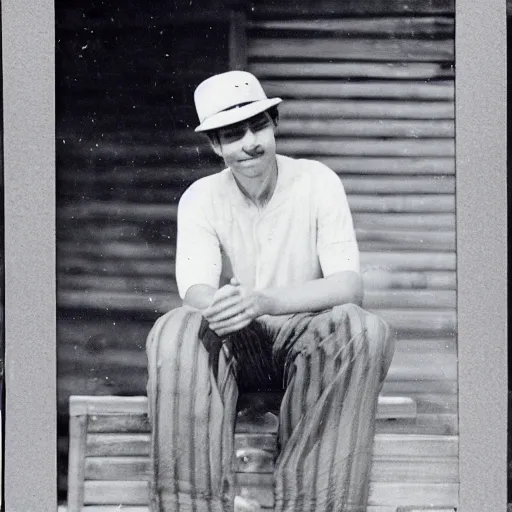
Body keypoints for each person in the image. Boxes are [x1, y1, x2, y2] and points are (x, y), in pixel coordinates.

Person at [146, 70, 395, 512]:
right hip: (237, 342)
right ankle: (191, 505)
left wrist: (265, 300)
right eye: (232, 135)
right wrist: (227, 305)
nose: (250, 143)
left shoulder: (318, 181)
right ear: (215, 146)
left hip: (307, 341)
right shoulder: (200, 197)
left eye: (258, 126)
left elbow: (349, 284)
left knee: (363, 328)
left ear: (274, 123)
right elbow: (195, 288)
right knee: (176, 328)